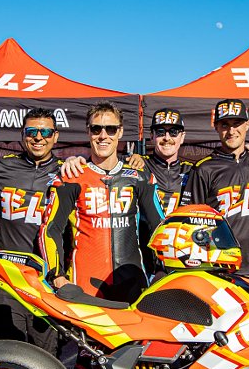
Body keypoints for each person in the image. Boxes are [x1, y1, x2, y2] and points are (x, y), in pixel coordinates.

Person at [39, 101, 163, 302]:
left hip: (133, 283)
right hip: (84, 284)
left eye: (111, 129)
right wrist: (57, 275)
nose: (103, 135)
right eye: (96, 129)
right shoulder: (71, 176)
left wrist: (161, 271)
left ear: (120, 132)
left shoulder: (140, 176)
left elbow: (160, 226)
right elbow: (50, 229)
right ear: (88, 132)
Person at [0, 108, 63, 354]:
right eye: (32, 131)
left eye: (45, 131)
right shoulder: (0, 168)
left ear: (55, 137)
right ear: (22, 135)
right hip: (7, 276)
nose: (39, 137)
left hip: (46, 278)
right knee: (6, 349)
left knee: (46, 353)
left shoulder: (68, 172)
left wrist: (137, 160)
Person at [187, 99, 249, 280]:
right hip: (216, 267)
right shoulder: (203, 168)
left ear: (248, 125)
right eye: (225, 125)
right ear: (216, 127)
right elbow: (189, 221)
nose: (231, 131)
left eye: (237, 124)